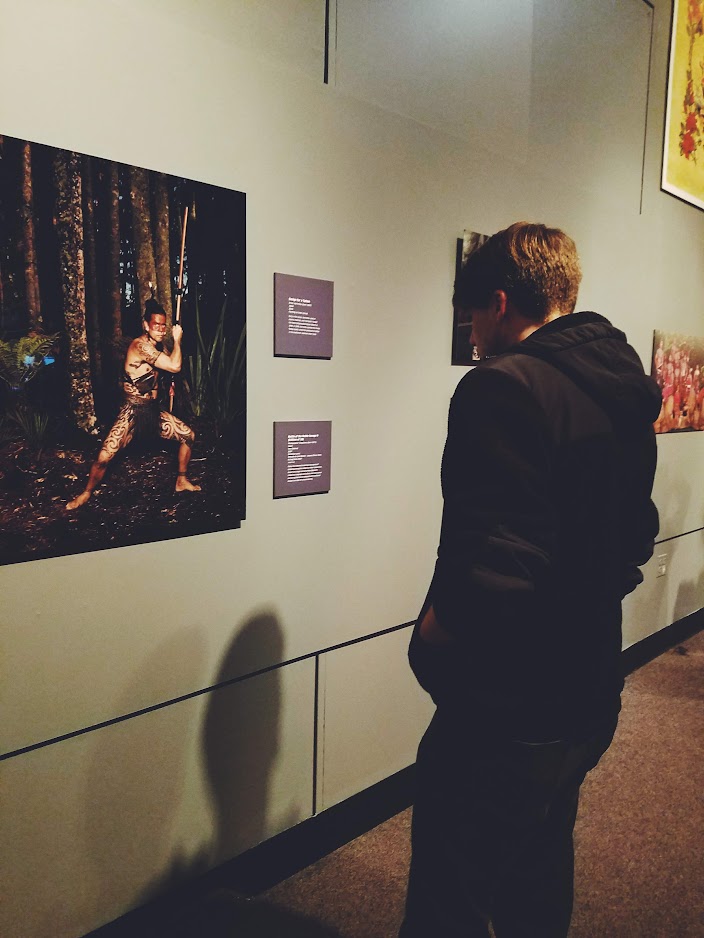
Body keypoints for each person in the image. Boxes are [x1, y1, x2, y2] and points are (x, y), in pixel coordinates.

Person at [400, 222, 660, 937]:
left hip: (505, 704)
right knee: (539, 871)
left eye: (473, 316)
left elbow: (497, 564)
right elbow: (636, 533)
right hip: (588, 684)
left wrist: (433, 636)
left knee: (449, 897)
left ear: (500, 302)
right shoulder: (622, 386)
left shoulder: (501, 387)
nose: (473, 335)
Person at [67, 300, 201, 510]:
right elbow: (175, 365)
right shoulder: (140, 346)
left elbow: (164, 370)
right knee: (104, 457)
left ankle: (181, 480)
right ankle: (86, 492)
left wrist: (168, 384)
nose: (161, 329)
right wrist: (177, 340)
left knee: (188, 436)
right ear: (146, 325)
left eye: (163, 326)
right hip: (133, 411)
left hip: (153, 411)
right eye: (156, 325)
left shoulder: (159, 347)